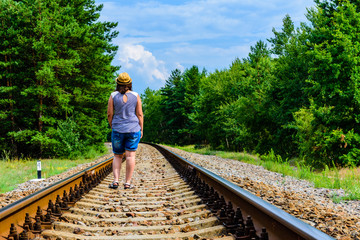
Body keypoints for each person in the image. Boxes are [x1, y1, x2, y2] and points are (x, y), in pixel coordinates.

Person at [107, 72, 143, 189]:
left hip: (117, 129)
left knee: (117, 156)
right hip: (133, 129)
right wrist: (141, 129)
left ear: (117, 83)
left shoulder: (113, 96)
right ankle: (127, 183)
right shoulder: (136, 95)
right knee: (130, 156)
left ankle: (116, 181)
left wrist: (113, 126)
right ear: (130, 83)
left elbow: (109, 114)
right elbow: (139, 114)